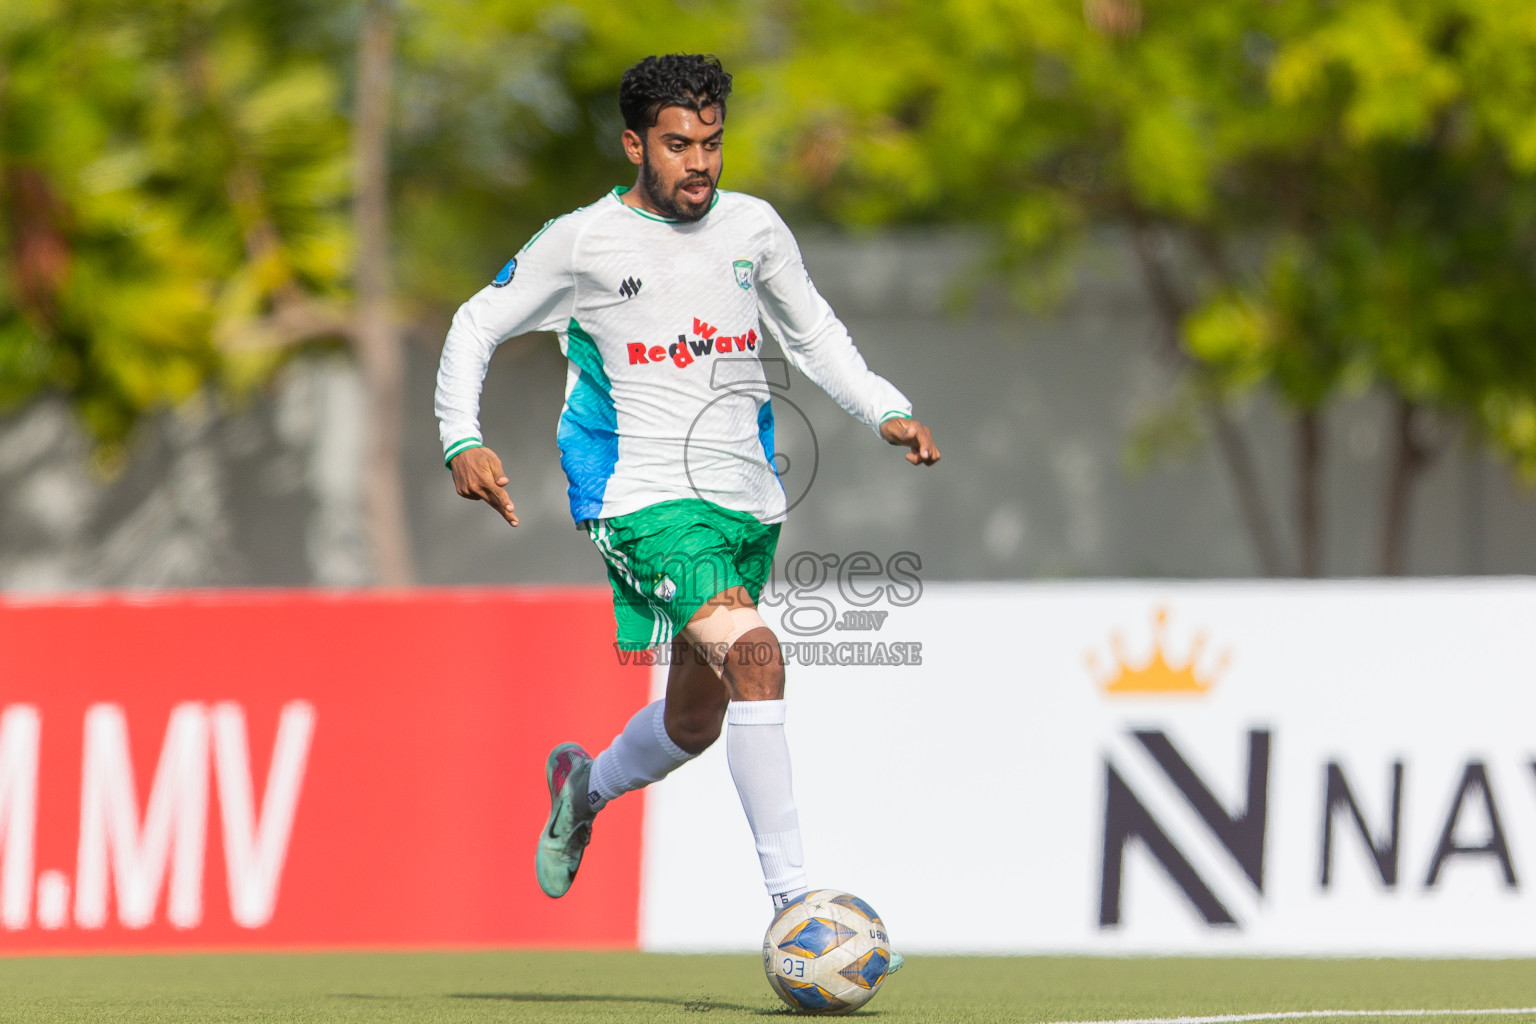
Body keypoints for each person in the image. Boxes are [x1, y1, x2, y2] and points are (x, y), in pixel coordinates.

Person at [434, 54, 939, 932]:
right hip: (638, 498)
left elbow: (813, 331)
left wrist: (884, 408)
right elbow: (476, 321)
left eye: (711, 143)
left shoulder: (754, 228)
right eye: (677, 145)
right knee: (759, 657)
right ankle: (796, 912)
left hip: (742, 502)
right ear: (635, 144)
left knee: (695, 725)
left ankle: (581, 790)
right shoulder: (583, 241)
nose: (698, 162)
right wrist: (461, 439)